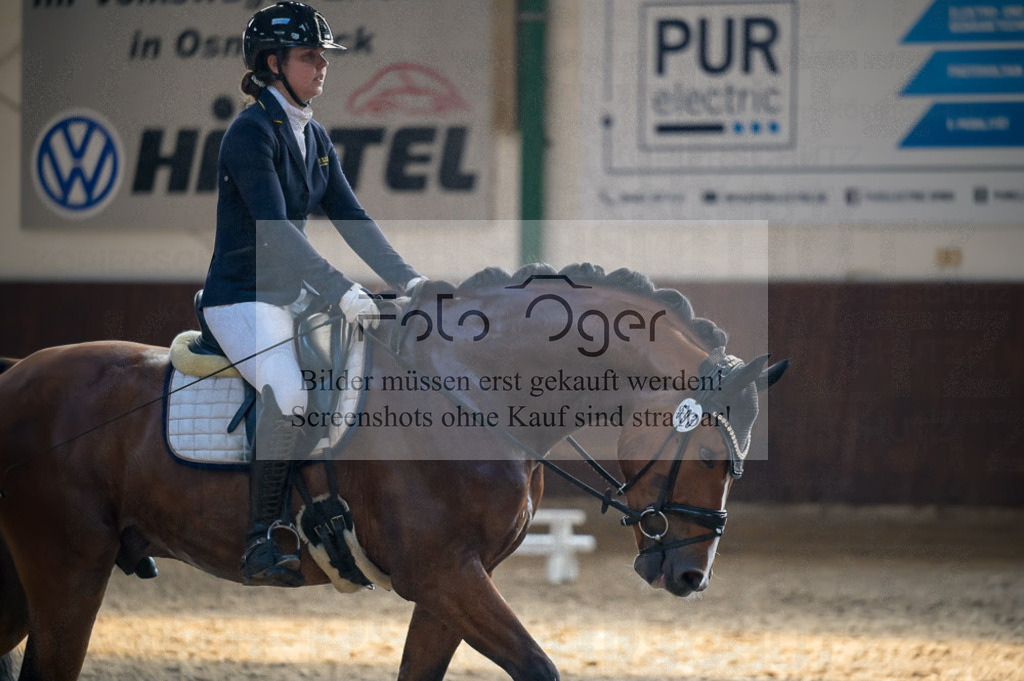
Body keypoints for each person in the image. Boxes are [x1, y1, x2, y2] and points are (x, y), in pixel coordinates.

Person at [199, 1, 424, 587]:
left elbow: (352, 218)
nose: (322, 66)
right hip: (241, 298)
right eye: (309, 56)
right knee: (293, 394)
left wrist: (411, 281)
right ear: (272, 64)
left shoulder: (313, 134)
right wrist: (340, 289)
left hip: (291, 297)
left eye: (324, 56)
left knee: (357, 374)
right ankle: (259, 538)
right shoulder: (250, 133)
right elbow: (275, 234)